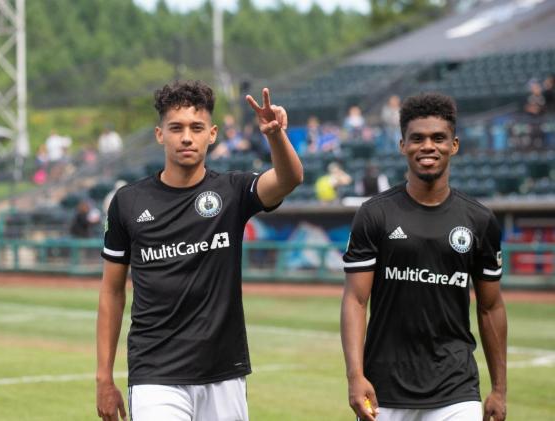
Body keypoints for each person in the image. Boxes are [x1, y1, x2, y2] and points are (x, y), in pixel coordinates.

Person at [96, 80, 303, 421]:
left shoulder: (233, 190)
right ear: (160, 134)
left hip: (224, 372)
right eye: (176, 128)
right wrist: (104, 377)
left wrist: (274, 135)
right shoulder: (128, 202)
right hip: (155, 373)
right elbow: (111, 290)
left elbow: (289, 179)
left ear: (213, 134)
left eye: (197, 127)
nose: (187, 137)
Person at [341, 93, 507, 421]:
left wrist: (500, 389)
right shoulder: (374, 214)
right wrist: (354, 376)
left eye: (438, 138)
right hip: (384, 388)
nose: (428, 146)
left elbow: (491, 307)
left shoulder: (480, 220)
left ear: (454, 145)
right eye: (417, 138)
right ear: (402, 145)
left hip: (456, 389)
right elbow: (356, 301)